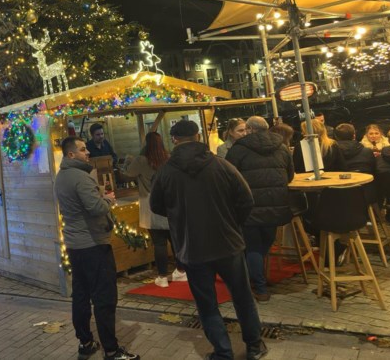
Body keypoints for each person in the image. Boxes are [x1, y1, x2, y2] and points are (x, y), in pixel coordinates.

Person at [151, 120, 267, 360]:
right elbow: (246, 199)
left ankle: (223, 352)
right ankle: (254, 346)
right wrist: (232, 222)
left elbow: (156, 206)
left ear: (174, 139)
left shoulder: (165, 172)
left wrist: (180, 217)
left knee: (206, 304)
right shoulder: (220, 165)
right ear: (198, 135)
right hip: (228, 243)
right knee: (242, 297)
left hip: (191, 248)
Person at [54, 136, 139, 360]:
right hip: (93, 244)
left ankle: (85, 342)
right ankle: (111, 350)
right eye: (83, 150)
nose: (88, 153)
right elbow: (94, 207)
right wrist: (107, 200)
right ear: (71, 154)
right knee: (104, 298)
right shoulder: (81, 178)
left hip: (74, 245)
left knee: (80, 294)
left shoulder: (61, 176)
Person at [225, 116, 294, 302]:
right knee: (265, 242)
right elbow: (290, 175)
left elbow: (229, 179)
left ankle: (259, 287)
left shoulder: (238, 150)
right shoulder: (282, 147)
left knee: (253, 247)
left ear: (249, 129)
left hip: (249, 207)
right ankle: (257, 276)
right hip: (276, 204)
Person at [121, 132, 186, 288]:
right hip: (169, 202)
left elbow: (126, 176)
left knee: (159, 243)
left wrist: (126, 163)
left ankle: (162, 277)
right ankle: (181, 271)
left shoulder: (141, 160)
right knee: (175, 240)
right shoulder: (168, 158)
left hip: (149, 203)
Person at [375, 128, 390, 222]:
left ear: (389, 140)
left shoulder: (384, 151)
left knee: (383, 194)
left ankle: (379, 218)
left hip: (383, 178)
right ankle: (389, 216)